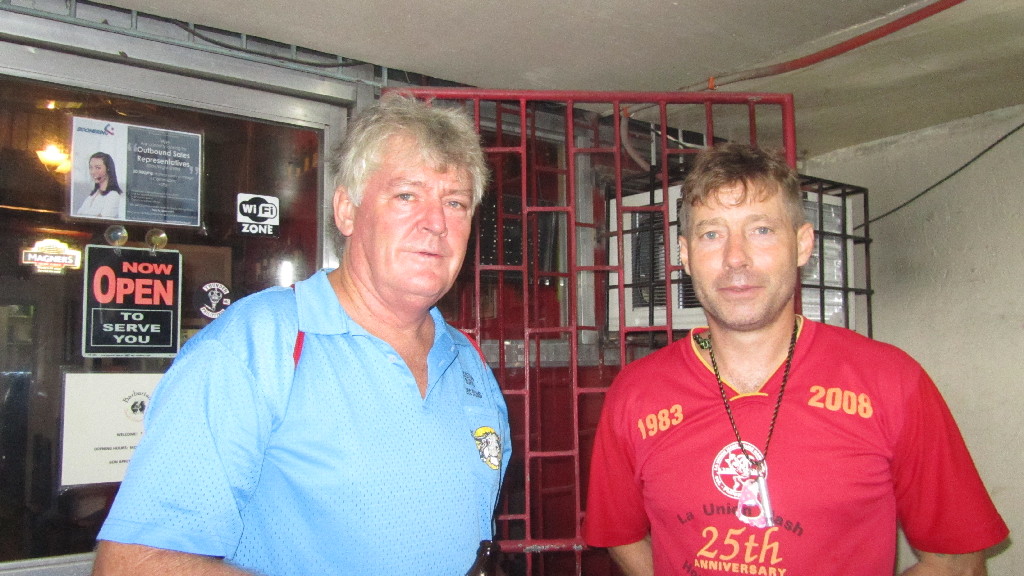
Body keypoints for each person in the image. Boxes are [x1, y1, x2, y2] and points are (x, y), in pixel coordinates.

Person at [92, 94, 511, 576]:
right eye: (406, 195)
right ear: (347, 211)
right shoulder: (256, 346)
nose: (436, 223)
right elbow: (133, 564)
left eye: (455, 203)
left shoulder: (468, 361)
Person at [583, 143, 1007, 575]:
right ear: (685, 255)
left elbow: (957, 561)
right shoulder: (635, 393)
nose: (735, 258)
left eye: (761, 230)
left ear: (803, 244)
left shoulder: (891, 382)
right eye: (712, 234)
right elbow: (621, 535)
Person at [77, 152, 125, 219]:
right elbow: (78, 215)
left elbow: (102, 220)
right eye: (91, 168)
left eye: (98, 168)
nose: (93, 172)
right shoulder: (93, 195)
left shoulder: (113, 195)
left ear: (108, 169)